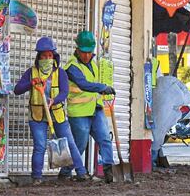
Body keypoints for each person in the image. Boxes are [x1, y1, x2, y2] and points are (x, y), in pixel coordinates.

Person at [14, 37, 89, 185]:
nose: (47, 58)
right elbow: (17, 90)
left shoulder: (60, 73)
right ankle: (36, 177)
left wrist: (54, 100)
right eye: (44, 56)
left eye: (50, 55)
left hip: (57, 114)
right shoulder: (31, 72)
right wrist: (31, 83)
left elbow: (64, 92)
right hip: (37, 116)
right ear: (39, 57)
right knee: (40, 146)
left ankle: (81, 172)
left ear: (54, 57)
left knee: (70, 143)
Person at [62, 31, 116, 183]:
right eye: (84, 52)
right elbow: (83, 84)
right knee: (80, 145)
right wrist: (102, 87)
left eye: (89, 52)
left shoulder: (94, 63)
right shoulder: (71, 67)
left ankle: (109, 171)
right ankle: (66, 171)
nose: (86, 55)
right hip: (79, 113)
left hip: (95, 109)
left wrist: (104, 89)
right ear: (77, 49)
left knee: (105, 138)